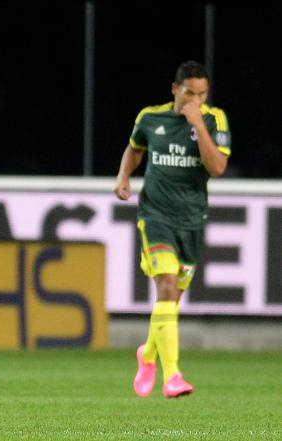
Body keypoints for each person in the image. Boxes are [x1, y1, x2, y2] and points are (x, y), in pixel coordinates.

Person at [114, 60, 231, 398]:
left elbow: (217, 167)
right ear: (175, 89)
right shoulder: (150, 117)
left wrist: (199, 126)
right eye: (190, 93)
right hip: (155, 216)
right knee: (165, 286)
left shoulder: (214, 119)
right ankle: (173, 376)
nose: (197, 100)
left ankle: (147, 354)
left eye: (202, 94)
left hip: (191, 221)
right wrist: (123, 177)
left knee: (171, 301)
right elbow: (135, 149)